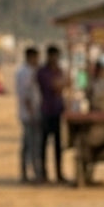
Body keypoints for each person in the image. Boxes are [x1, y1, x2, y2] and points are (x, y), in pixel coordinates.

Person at [36, 44, 67, 183]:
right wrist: (62, 84)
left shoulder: (59, 71)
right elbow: (55, 86)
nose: (54, 59)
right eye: (52, 56)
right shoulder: (43, 72)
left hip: (58, 110)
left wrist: (62, 84)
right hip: (46, 110)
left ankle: (59, 173)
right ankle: (43, 173)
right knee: (43, 144)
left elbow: (63, 85)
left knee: (58, 145)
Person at [14, 47, 42, 183]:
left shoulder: (23, 71)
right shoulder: (27, 72)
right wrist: (32, 114)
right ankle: (34, 173)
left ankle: (25, 172)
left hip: (27, 113)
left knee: (27, 144)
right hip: (30, 114)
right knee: (32, 144)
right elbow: (26, 95)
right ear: (31, 57)